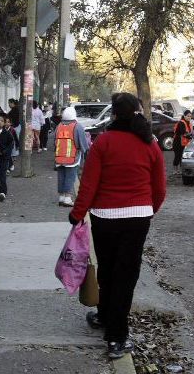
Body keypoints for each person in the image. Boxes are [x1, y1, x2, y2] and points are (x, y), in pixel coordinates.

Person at [69, 92, 166, 359]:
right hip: (138, 218)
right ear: (136, 111)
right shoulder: (150, 144)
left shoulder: (103, 142)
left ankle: (105, 319)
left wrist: (77, 214)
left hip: (105, 217)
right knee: (126, 276)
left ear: (113, 113)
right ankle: (117, 337)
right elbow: (159, 188)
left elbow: (89, 184)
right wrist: (147, 211)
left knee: (108, 271)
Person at [55, 106, 89, 207]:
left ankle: (61, 197)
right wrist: (86, 152)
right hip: (72, 157)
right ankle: (68, 198)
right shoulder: (77, 126)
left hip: (59, 157)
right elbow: (83, 144)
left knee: (61, 177)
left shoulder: (59, 126)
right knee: (70, 177)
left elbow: (55, 142)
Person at [0, 112, 14, 201]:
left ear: (4, 123)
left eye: (2, 121)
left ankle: (3, 192)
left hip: (4, 157)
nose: (0, 122)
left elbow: (11, 144)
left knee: (2, 174)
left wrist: (5, 152)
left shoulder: (7, 133)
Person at [172, 110, 194, 175]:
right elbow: (183, 133)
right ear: (184, 116)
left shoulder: (189, 123)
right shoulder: (181, 123)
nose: (189, 117)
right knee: (178, 156)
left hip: (184, 143)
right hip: (177, 142)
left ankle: (181, 170)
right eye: (188, 116)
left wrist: (191, 135)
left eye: (190, 116)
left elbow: (190, 132)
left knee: (183, 157)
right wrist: (191, 137)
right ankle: (175, 170)